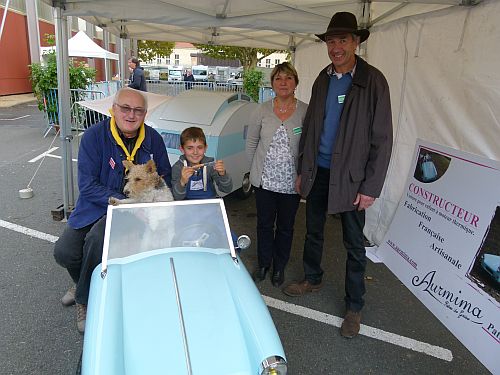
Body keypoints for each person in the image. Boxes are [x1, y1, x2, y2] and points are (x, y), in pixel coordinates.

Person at [282, 12, 393, 339]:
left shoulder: (373, 81)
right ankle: (312, 278)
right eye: (331, 41)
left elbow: (383, 138)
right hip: (319, 171)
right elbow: (312, 128)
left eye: (343, 40)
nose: (336, 47)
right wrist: (305, 169)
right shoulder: (323, 78)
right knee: (313, 230)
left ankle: (354, 305)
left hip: (352, 178)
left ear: (356, 42)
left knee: (354, 244)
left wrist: (370, 187)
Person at [53, 87, 172, 333]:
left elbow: (164, 175)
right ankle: (82, 283)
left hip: (138, 211)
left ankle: (84, 299)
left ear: (145, 114)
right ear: (114, 109)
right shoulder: (94, 137)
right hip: (97, 205)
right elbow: (86, 185)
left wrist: (150, 202)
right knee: (65, 252)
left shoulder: (153, 139)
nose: (131, 115)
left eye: (138, 110)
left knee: (97, 240)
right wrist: (121, 199)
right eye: (125, 108)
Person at [246, 62, 308, 288]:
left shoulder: (305, 110)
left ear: (295, 83)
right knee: (264, 225)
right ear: (272, 83)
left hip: (291, 183)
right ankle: (264, 263)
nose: (283, 83)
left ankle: (279, 266)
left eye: (288, 78)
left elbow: (309, 147)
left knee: (285, 227)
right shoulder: (261, 110)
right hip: (264, 180)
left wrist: (305, 175)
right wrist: (253, 171)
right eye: (279, 78)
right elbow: (252, 142)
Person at [171, 126, 232, 200]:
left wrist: (223, 174)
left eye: (200, 147)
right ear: (182, 149)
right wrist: (182, 182)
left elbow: (226, 189)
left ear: (205, 148)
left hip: (209, 203)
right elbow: (177, 197)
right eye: (190, 148)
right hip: (187, 206)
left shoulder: (210, 165)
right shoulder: (177, 168)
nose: (195, 152)